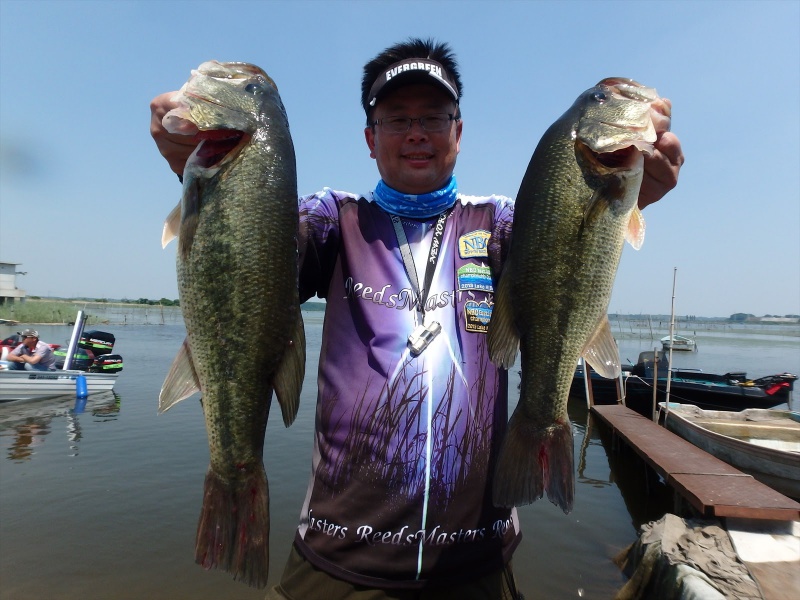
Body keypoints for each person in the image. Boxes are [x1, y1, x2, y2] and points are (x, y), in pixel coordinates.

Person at [149, 38, 684, 599]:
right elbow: (256, 251)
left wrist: (627, 195)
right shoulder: (333, 220)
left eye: (433, 117)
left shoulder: (501, 224)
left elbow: (558, 253)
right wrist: (194, 167)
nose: (416, 133)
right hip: (336, 560)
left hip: (478, 560)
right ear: (369, 139)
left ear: (458, 131)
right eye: (396, 119)